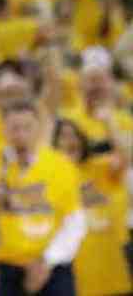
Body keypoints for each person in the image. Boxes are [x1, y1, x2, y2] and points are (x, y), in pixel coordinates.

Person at [0, 101, 86, 296]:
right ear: (4, 130)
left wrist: (47, 261)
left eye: (27, 127)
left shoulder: (60, 165)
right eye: (14, 128)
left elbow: (75, 220)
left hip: (50, 264)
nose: (21, 135)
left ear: (39, 129)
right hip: (2, 265)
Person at [53, 118, 132, 296]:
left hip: (110, 264)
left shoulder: (99, 166)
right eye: (63, 136)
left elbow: (126, 157)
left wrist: (109, 122)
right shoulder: (49, 176)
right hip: (73, 270)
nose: (70, 141)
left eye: (74, 135)